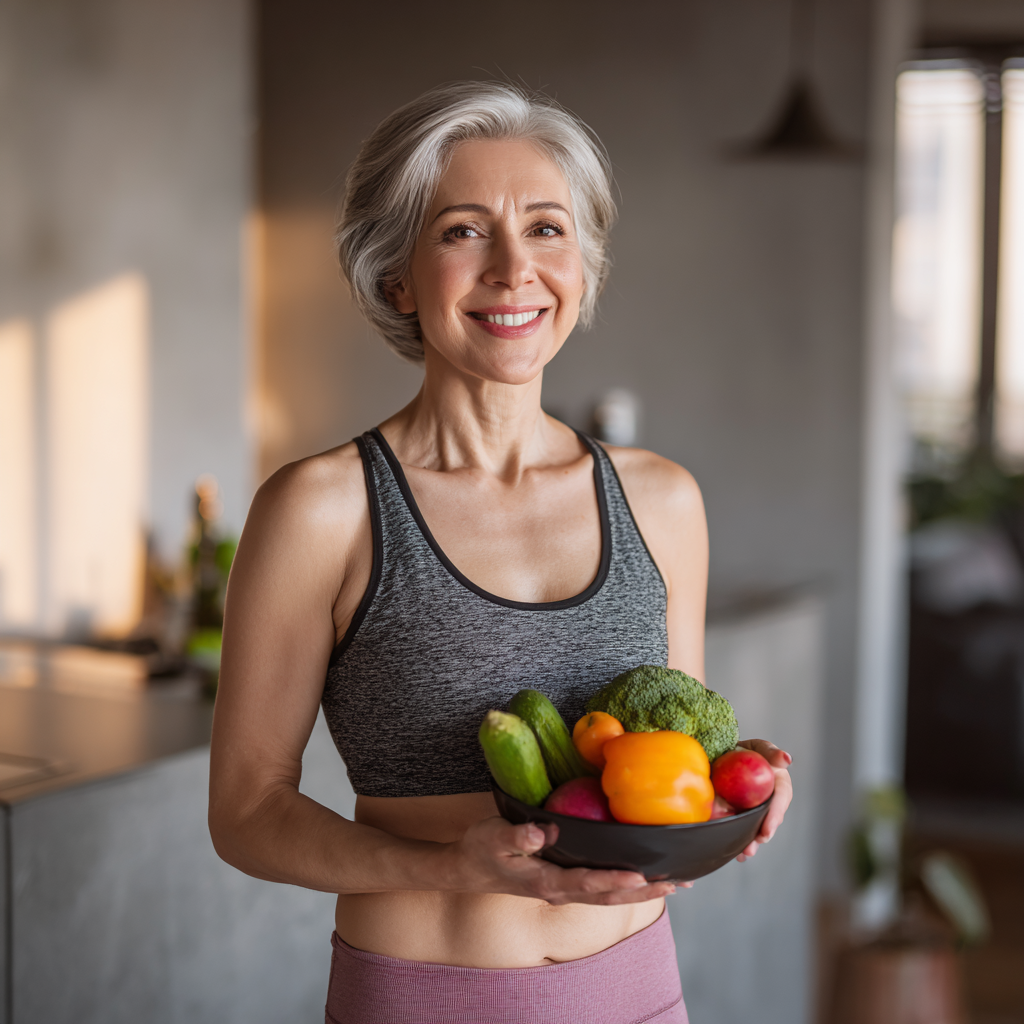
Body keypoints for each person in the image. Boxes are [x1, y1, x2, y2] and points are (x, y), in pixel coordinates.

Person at [209, 81, 793, 1024]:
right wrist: (447, 866)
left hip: (640, 989)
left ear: (586, 265)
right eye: (462, 231)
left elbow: (666, 757)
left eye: (549, 229)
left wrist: (741, 781)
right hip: (424, 997)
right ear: (395, 275)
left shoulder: (662, 500)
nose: (514, 268)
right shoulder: (323, 510)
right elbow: (244, 815)